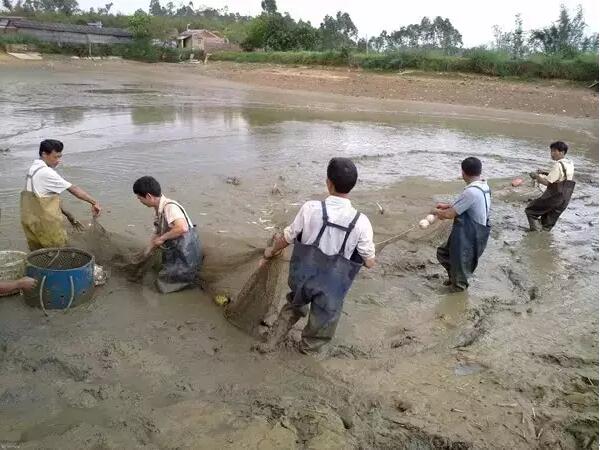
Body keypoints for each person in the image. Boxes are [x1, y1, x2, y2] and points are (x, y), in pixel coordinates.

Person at [256, 157, 376, 354]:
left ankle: (271, 342)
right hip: (332, 286)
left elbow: (287, 237)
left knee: (293, 305)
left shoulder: (310, 208)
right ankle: (307, 349)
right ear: (352, 186)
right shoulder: (362, 222)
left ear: (328, 183)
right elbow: (369, 262)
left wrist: (270, 252)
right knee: (324, 318)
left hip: (303, 276)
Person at [20, 139, 101, 251]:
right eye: (56, 157)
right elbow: (74, 189)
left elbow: (46, 197)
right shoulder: (47, 172)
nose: (58, 161)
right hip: (46, 225)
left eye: (60, 157)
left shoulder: (33, 169)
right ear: (44, 154)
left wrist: (69, 215)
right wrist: (94, 202)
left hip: (29, 222)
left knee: (38, 255)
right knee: (59, 253)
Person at [133, 176, 202, 294]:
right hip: (178, 250)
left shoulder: (170, 207)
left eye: (140, 198)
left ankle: (190, 284)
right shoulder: (159, 209)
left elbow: (182, 228)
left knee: (162, 285)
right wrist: (147, 252)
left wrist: (162, 238)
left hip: (187, 254)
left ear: (149, 196)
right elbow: (157, 233)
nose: (140, 201)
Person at [433, 157, 491, 292]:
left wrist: (434, 211)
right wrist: (448, 205)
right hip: (478, 230)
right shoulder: (483, 185)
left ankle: (458, 293)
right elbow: (468, 204)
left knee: (461, 265)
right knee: (444, 253)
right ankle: (455, 277)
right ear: (479, 171)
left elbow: (448, 215)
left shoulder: (470, 192)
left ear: (463, 172)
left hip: (470, 235)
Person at [525, 141, 575, 232]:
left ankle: (535, 233)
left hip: (554, 197)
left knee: (530, 211)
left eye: (554, 151)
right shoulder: (570, 163)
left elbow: (547, 182)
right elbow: (563, 177)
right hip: (565, 199)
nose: (551, 154)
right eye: (551, 151)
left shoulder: (558, 165)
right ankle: (543, 239)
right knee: (548, 223)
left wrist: (536, 176)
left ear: (562, 152)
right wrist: (545, 172)